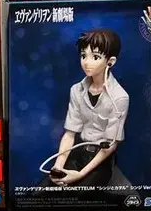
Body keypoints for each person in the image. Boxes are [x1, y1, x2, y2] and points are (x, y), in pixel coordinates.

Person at [48, 28, 129, 187]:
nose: (86, 62)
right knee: (43, 191)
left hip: (101, 161)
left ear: (110, 62)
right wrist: (58, 166)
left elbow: (111, 144)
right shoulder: (76, 90)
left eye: (95, 57)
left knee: (78, 194)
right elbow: (70, 134)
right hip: (78, 154)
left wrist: (80, 174)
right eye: (83, 56)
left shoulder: (119, 97)